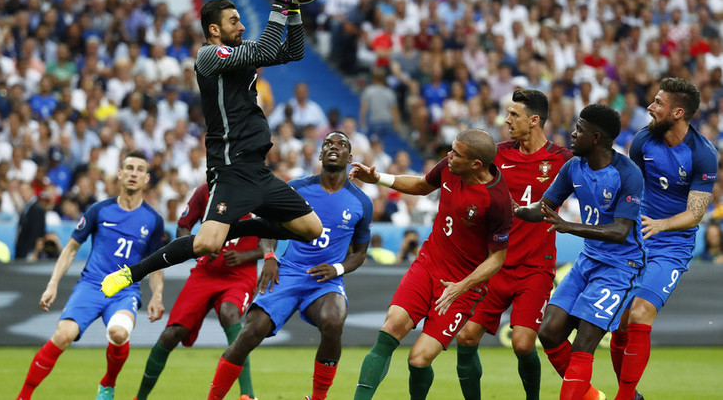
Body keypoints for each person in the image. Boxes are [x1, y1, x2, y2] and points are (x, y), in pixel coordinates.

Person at [100, 0, 323, 297]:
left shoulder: (240, 51)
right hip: (230, 170)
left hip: (259, 172)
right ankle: (132, 272)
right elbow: (263, 51)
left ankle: (231, 223)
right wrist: (278, 2)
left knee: (311, 230)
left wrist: (292, 8)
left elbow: (294, 51)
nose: (242, 25)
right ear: (214, 29)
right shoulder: (208, 56)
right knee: (206, 243)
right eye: (235, 21)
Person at [208, 131, 373, 400]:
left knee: (334, 321)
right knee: (250, 333)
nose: (334, 147)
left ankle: (318, 398)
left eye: (342, 144)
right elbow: (268, 225)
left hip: (325, 280)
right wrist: (270, 257)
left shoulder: (361, 202)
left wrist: (338, 269)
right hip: (288, 272)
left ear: (350, 157)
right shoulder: (296, 187)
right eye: (328, 143)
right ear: (320, 155)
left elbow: (360, 253)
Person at [351, 129, 513, 400]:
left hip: (459, 287)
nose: (448, 156)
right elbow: (421, 185)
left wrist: (461, 286)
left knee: (418, 359)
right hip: (426, 266)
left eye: (456, 153)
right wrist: (378, 178)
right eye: (451, 149)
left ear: (476, 164)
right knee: (390, 329)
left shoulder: (497, 201)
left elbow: (497, 257)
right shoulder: (450, 166)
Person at [513, 104, 645, 399]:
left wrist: (568, 226)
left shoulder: (628, 174)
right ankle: (593, 396)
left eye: (579, 129)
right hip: (588, 262)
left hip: (621, 266)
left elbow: (620, 231)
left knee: (584, 342)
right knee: (548, 332)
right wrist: (516, 210)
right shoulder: (574, 166)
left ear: (596, 137)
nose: (572, 134)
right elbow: (544, 208)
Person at [454, 89, 578, 400]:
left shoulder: (563, 160)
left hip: (535, 266)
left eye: (514, 115)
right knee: (466, 337)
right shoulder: (496, 155)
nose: (506, 120)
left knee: (523, 344)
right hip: (494, 263)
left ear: (534, 120)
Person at [16, 151, 166, 400]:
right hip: (91, 285)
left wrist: (157, 295)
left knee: (119, 332)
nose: (133, 173)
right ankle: (23, 396)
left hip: (124, 290)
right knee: (63, 335)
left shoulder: (153, 220)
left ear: (146, 178)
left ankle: (108, 383)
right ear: (119, 174)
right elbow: (71, 247)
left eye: (140, 170)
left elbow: (155, 264)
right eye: (129, 168)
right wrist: (52, 285)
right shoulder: (99, 210)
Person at [611, 78, 718, 400]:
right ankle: (630, 393)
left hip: (672, 244)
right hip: (638, 238)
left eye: (658, 103)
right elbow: (630, 188)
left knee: (641, 312)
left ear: (677, 112)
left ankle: (625, 396)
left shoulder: (703, 154)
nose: (650, 107)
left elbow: (695, 213)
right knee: (621, 324)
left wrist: (662, 224)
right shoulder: (643, 141)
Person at [135, 183, 274, 400]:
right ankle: (140, 397)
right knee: (171, 334)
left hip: (240, 275)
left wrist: (246, 256)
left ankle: (247, 394)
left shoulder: (258, 189)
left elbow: (270, 235)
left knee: (229, 312)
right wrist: (199, 252)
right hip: (205, 272)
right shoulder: (206, 190)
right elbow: (183, 227)